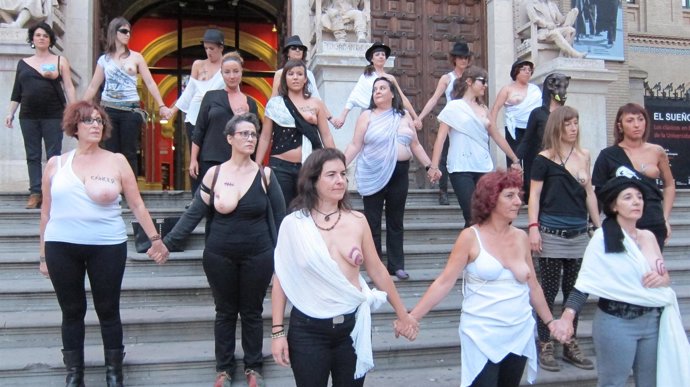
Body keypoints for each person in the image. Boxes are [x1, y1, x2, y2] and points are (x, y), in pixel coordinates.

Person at [39, 101, 169, 387]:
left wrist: (156, 239)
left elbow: (136, 203)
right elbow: (46, 211)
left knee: (108, 309)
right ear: (75, 126)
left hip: (106, 245)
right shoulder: (55, 164)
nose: (96, 125)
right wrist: (43, 255)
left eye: (99, 120)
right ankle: (74, 374)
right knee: (72, 311)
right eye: (89, 121)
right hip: (61, 245)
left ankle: (114, 372)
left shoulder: (117, 161)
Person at [271, 148, 418, 387]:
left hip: (351, 328)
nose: (340, 180)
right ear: (313, 179)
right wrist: (277, 333)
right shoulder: (293, 225)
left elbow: (378, 271)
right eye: (331, 174)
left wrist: (403, 314)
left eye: (343, 173)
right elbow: (282, 280)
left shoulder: (357, 221)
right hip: (308, 330)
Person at [162, 113, 285, 387]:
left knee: (252, 311)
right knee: (226, 312)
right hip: (219, 255)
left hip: (259, 254)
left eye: (254, 134)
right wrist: (167, 243)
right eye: (244, 134)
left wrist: (282, 260)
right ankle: (224, 369)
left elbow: (281, 217)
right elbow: (194, 213)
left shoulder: (265, 175)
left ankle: (253, 367)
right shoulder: (214, 173)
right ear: (230, 138)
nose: (250, 138)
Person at [409, 170, 557, 387]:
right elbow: (444, 282)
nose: (518, 201)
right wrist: (413, 317)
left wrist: (551, 323)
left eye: (519, 195)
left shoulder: (521, 237)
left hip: (519, 330)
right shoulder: (470, 237)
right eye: (509, 196)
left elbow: (533, 285)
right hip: (481, 333)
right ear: (491, 199)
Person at [552, 176, 690, 387]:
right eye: (628, 197)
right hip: (617, 322)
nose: (636, 201)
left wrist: (661, 279)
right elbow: (584, 284)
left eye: (640, 197)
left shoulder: (649, 237)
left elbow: (664, 277)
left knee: (652, 382)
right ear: (614, 205)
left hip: (653, 321)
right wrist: (567, 317)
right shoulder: (602, 239)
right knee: (613, 383)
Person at [527, 106, 599, 372]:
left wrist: (599, 226)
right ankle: (545, 342)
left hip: (578, 232)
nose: (573, 128)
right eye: (568, 123)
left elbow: (590, 192)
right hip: (551, 232)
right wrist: (533, 227)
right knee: (547, 290)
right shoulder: (543, 159)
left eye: (576, 123)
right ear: (557, 126)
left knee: (574, 292)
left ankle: (569, 342)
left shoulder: (585, 155)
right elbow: (533, 196)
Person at [344, 77, 435, 280]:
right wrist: (338, 165)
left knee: (396, 220)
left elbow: (416, 146)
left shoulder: (403, 116)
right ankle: (375, 266)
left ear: (393, 93)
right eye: (375, 89)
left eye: (382, 88)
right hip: (372, 172)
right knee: (373, 221)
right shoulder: (366, 116)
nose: (377, 91)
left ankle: (397, 265)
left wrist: (430, 166)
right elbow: (355, 145)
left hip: (399, 173)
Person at [427, 66, 521, 229]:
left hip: (483, 165)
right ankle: (469, 252)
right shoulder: (453, 107)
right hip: (460, 166)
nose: (485, 85)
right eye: (482, 81)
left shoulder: (484, 109)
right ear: (469, 82)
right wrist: (434, 167)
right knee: (471, 214)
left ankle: (475, 252)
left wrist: (514, 158)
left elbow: (496, 135)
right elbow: (441, 138)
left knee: (485, 214)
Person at [83, 17, 172, 175]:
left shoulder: (136, 57)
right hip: (109, 109)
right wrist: (81, 107)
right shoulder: (104, 60)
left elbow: (150, 82)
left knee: (130, 151)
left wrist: (161, 105)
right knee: (111, 150)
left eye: (129, 31)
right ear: (114, 32)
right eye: (124, 31)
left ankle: (130, 188)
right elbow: (93, 86)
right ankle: (113, 184)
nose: (128, 34)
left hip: (131, 110)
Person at [6, 21, 76, 209]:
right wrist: (10, 113)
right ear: (32, 39)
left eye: (45, 35)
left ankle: (53, 193)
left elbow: (69, 86)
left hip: (53, 114)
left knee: (54, 155)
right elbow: (16, 92)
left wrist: (74, 109)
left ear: (50, 40)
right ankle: (35, 193)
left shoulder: (60, 61)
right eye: (38, 35)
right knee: (33, 155)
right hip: (28, 115)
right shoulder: (23, 63)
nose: (41, 38)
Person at [592, 103, 674, 251]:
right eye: (630, 120)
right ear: (620, 125)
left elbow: (669, 185)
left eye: (640, 119)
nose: (637, 125)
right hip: (621, 223)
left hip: (653, 220)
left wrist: (665, 218)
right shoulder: (607, 155)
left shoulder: (657, 151)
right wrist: (596, 223)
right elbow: (599, 193)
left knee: (652, 270)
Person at [256, 59, 335, 207]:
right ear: (285, 78)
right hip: (280, 166)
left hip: (309, 165)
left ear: (306, 79)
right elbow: (265, 137)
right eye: (291, 74)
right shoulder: (275, 104)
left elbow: (326, 135)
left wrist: (335, 161)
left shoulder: (316, 103)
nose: (295, 77)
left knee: (308, 209)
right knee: (282, 210)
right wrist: (257, 164)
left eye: (299, 74)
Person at [166, 28, 225, 192]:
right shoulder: (198, 65)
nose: (208, 52)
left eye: (212, 48)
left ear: (221, 47)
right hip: (194, 116)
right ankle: (196, 195)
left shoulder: (226, 66)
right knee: (195, 156)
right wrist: (173, 110)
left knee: (214, 155)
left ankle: (215, 193)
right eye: (206, 48)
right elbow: (189, 91)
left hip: (215, 117)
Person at [190, 51, 259, 192]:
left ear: (241, 72)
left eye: (235, 71)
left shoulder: (251, 103)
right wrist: (193, 160)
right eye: (227, 72)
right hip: (211, 160)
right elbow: (199, 130)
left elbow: (255, 135)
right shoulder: (210, 97)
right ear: (221, 74)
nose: (232, 76)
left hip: (240, 162)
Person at [414, 42, 473, 205]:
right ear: (454, 59)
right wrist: (420, 117)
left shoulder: (472, 78)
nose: (463, 60)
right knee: (445, 156)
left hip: (469, 122)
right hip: (452, 121)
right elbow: (434, 98)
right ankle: (443, 191)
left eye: (466, 57)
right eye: (460, 57)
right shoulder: (447, 78)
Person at [331, 42, 420, 129]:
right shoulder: (366, 76)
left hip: (388, 117)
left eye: (383, 54)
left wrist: (416, 118)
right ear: (372, 59)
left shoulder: (390, 78)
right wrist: (343, 116)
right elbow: (353, 97)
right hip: (370, 117)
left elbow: (402, 98)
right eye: (377, 54)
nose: (381, 56)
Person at [517, 72, 570, 202]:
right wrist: (516, 160)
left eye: (564, 87)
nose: (562, 91)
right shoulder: (537, 114)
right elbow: (527, 140)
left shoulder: (568, 114)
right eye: (558, 87)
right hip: (541, 163)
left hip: (563, 162)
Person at [488, 59, 541, 167]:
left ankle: (529, 183)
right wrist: (492, 126)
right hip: (515, 128)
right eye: (524, 69)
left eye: (529, 70)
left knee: (532, 160)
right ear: (516, 71)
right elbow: (496, 107)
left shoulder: (535, 89)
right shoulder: (507, 89)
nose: (527, 72)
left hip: (532, 128)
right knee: (514, 160)